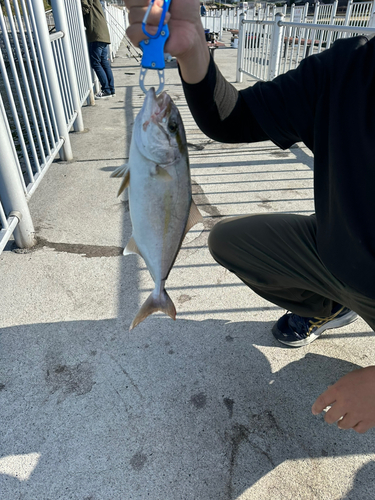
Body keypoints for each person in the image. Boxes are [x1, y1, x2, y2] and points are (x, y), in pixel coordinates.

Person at [124, 0, 375, 433]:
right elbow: (233, 118)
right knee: (231, 240)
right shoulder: (350, 66)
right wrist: (192, 49)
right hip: (342, 251)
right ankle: (331, 305)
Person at [81, 0, 115, 99]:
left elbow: (85, 8)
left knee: (95, 63)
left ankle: (106, 90)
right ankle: (111, 90)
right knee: (104, 62)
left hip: (95, 34)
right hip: (103, 34)